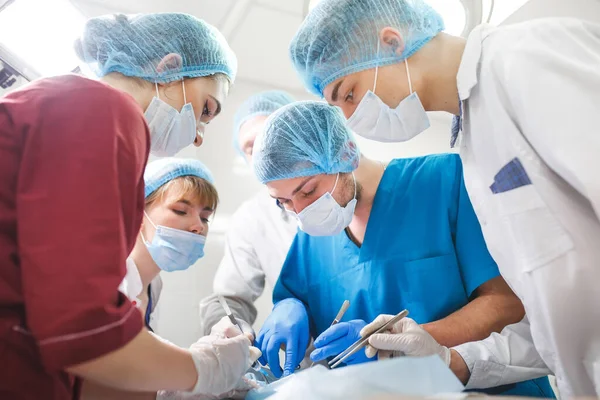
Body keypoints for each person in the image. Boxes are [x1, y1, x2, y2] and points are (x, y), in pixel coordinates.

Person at [289, 0, 600, 397]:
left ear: (390, 42)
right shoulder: (473, 144)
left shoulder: (525, 58)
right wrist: (444, 359)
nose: (349, 118)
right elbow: (550, 323)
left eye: (348, 94)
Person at [0, 12, 257, 399]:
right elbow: (81, 331)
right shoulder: (103, 108)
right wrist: (202, 370)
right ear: (169, 68)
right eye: (206, 110)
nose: (200, 137)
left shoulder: (72, 103)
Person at [251, 101, 553, 398]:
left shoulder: (444, 181)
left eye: (308, 191)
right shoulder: (310, 240)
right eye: (284, 202)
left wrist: (400, 342)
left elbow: (506, 303)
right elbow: (298, 302)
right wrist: (289, 307)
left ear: (346, 154)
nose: (301, 210)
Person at [199, 91, 298, 336]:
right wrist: (232, 327)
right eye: (252, 148)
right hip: (312, 365)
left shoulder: (343, 190)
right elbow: (230, 298)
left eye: (271, 136)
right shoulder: (253, 218)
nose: (265, 152)